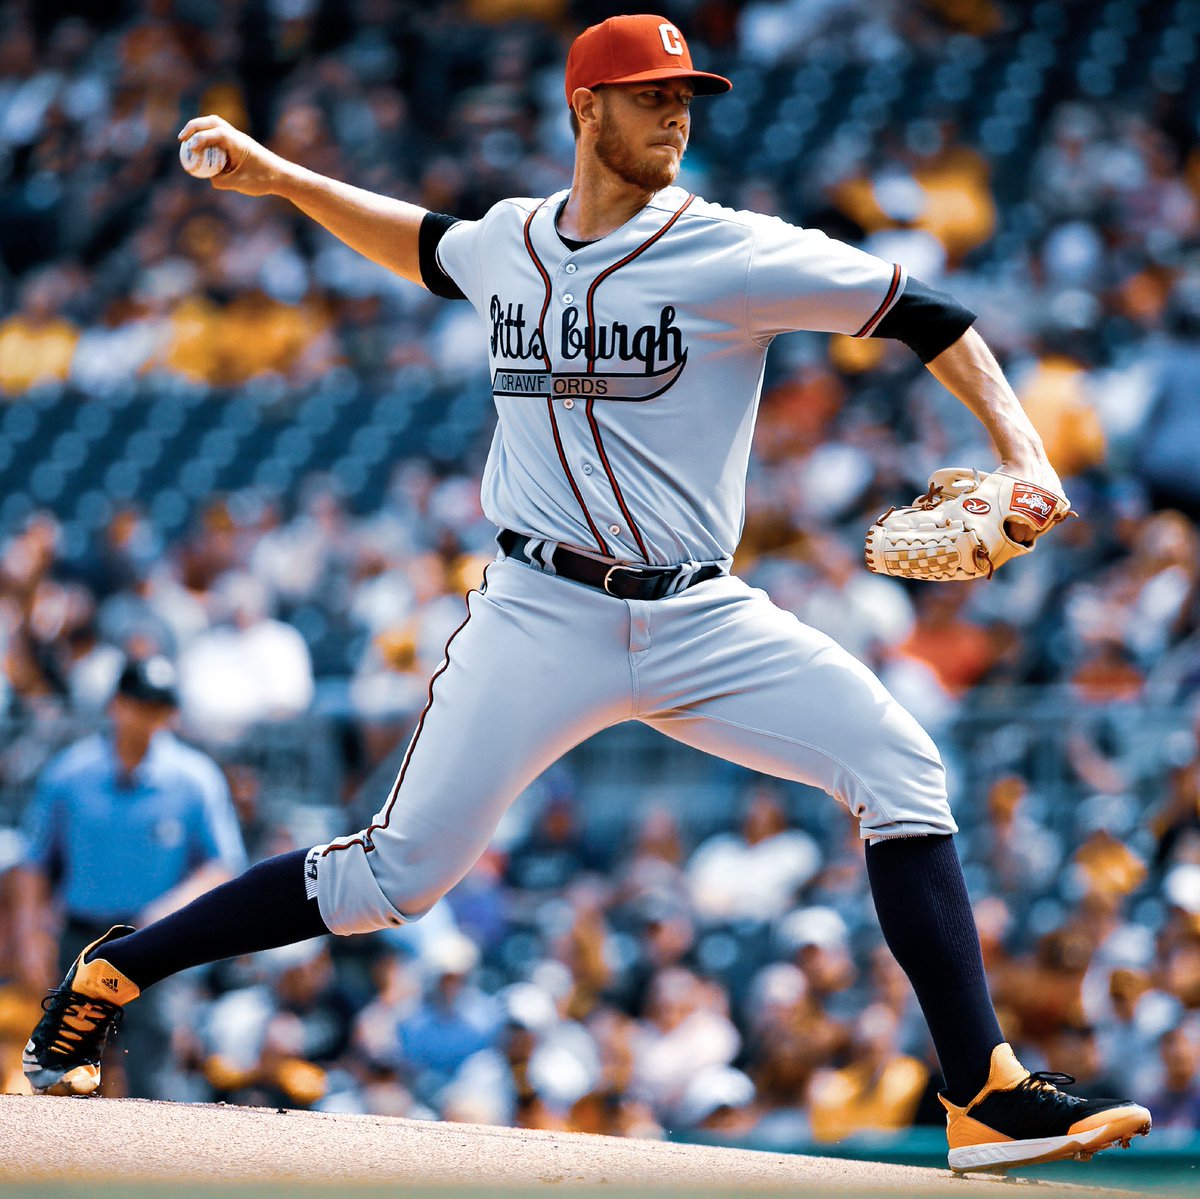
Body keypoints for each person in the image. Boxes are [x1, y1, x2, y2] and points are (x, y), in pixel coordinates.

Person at [24, 14, 1150, 1170]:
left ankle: (983, 1093)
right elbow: (421, 239)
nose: (677, 113)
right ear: (584, 108)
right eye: (651, 92)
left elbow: (929, 315)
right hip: (538, 613)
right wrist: (274, 175)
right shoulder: (511, 240)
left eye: (687, 95)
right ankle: (113, 972)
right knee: (391, 876)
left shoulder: (735, 250)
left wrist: (1027, 455)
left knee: (903, 765)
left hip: (697, 612)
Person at [15, 655, 246, 1097]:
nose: (149, 717)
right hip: (81, 939)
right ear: (116, 705)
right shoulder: (70, 775)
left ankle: (150, 1167)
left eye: (159, 707)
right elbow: (34, 864)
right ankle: (62, 1166)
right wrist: (29, 936)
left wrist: (168, 908)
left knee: (152, 1070)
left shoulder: (194, 779)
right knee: (60, 1070)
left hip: (155, 940)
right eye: (140, 704)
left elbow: (223, 866)